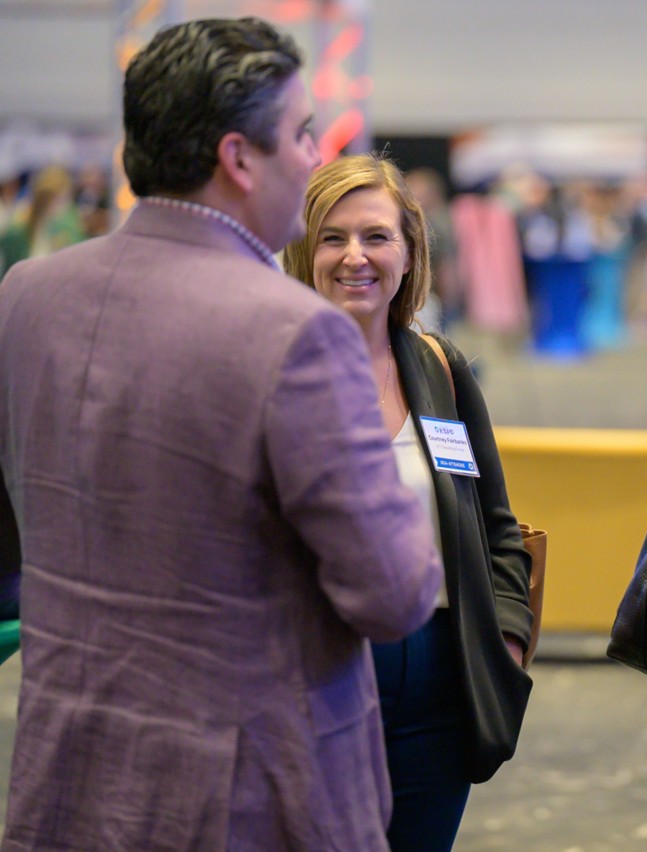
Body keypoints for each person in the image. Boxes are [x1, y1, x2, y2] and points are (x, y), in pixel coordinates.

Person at [0, 18, 443, 849]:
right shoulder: (299, 333)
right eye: (303, 134)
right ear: (240, 159)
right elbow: (392, 594)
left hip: (64, 773)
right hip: (246, 795)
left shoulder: (25, 296)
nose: (316, 157)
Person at [282, 153, 534, 851]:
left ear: (408, 252)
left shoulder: (437, 367)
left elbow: (496, 527)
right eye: (332, 237)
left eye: (376, 237)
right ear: (303, 249)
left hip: (439, 678)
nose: (354, 257)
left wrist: (504, 642)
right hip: (315, 673)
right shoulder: (270, 370)